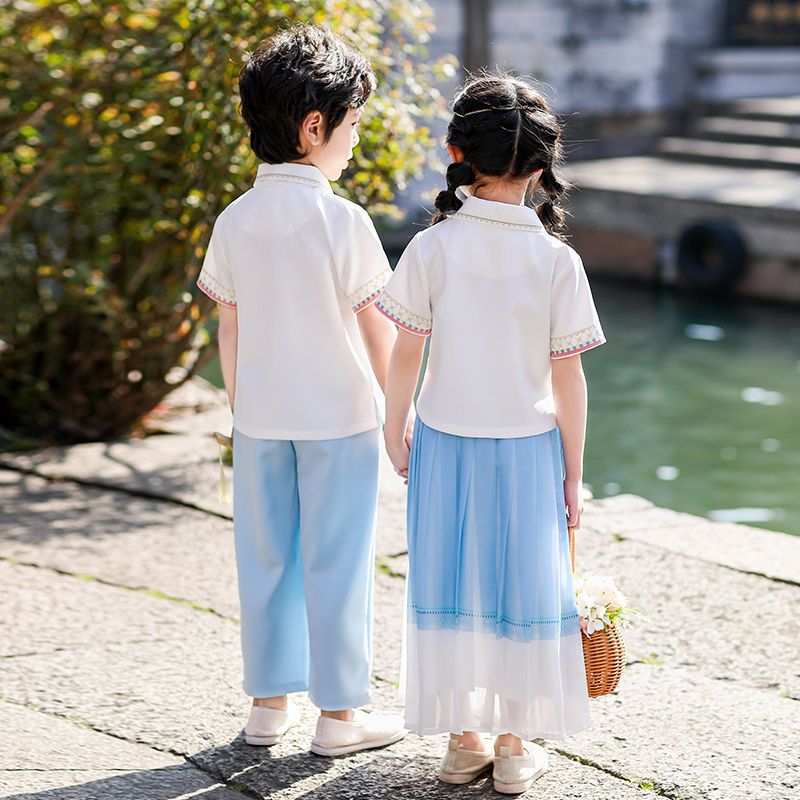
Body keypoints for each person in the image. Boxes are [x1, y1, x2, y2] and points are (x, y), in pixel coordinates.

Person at [379, 72, 604, 793]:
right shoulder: (555, 261)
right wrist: (572, 475)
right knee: (524, 595)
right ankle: (513, 744)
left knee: (449, 585)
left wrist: (395, 423)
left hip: (445, 442)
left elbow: (405, 351)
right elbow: (568, 378)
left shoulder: (431, 249)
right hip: (530, 448)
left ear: (455, 151)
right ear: (543, 167)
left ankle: (461, 741)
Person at [196, 24, 406, 756]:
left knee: (265, 558)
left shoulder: (235, 219)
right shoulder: (342, 222)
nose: (354, 142)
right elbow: (378, 330)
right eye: (352, 126)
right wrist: (400, 417)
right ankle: (340, 717)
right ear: (315, 126)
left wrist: (239, 404)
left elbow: (229, 327)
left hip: (259, 418)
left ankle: (267, 705)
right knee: (337, 564)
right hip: (340, 419)